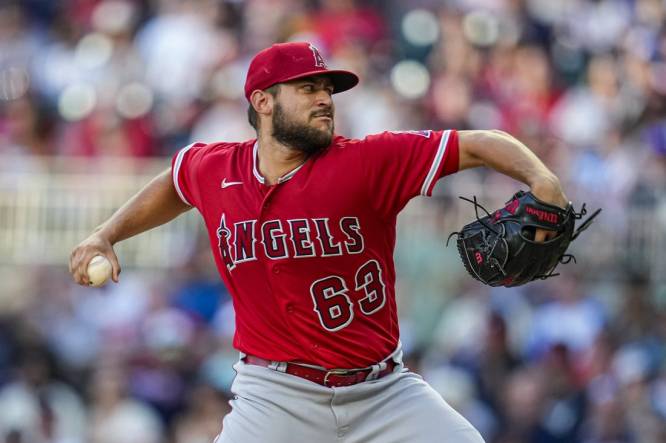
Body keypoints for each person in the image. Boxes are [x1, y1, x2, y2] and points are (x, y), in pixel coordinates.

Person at [69, 42, 568, 443]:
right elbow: (174, 184)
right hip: (275, 395)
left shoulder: (366, 162)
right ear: (263, 101)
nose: (324, 99)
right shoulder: (214, 167)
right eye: (307, 88)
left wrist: (543, 179)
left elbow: (477, 142)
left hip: (382, 392)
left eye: (327, 89)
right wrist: (106, 233)